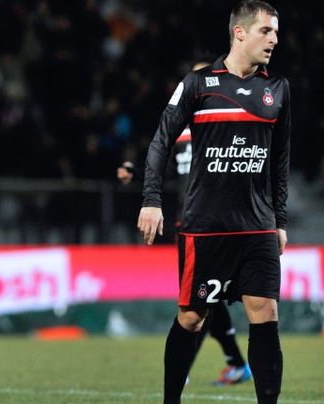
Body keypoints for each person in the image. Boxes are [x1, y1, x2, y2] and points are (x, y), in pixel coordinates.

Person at [137, 1, 289, 403]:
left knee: (266, 313)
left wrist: (280, 219)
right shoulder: (198, 85)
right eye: (265, 31)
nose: (274, 39)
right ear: (239, 32)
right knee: (191, 317)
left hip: (257, 226)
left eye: (276, 32)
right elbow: (160, 142)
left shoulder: (277, 90)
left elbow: (280, 161)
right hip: (207, 226)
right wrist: (151, 200)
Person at [119, 58, 252, 386]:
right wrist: (135, 170)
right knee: (204, 298)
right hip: (189, 223)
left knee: (200, 299)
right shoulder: (180, 127)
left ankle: (192, 367)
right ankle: (234, 362)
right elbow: (159, 154)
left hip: (217, 223)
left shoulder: (224, 127)